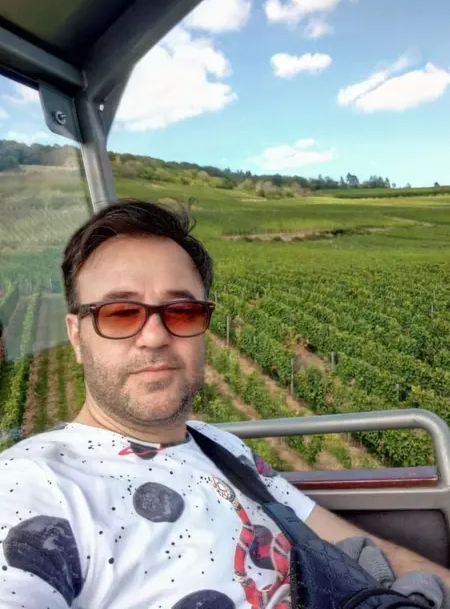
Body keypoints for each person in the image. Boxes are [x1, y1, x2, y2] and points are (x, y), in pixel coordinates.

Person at [0, 199, 448, 608]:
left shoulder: (223, 447)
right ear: (77, 336)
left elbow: (364, 548)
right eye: (120, 313)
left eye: (182, 312)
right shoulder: (33, 487)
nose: (155, 336)